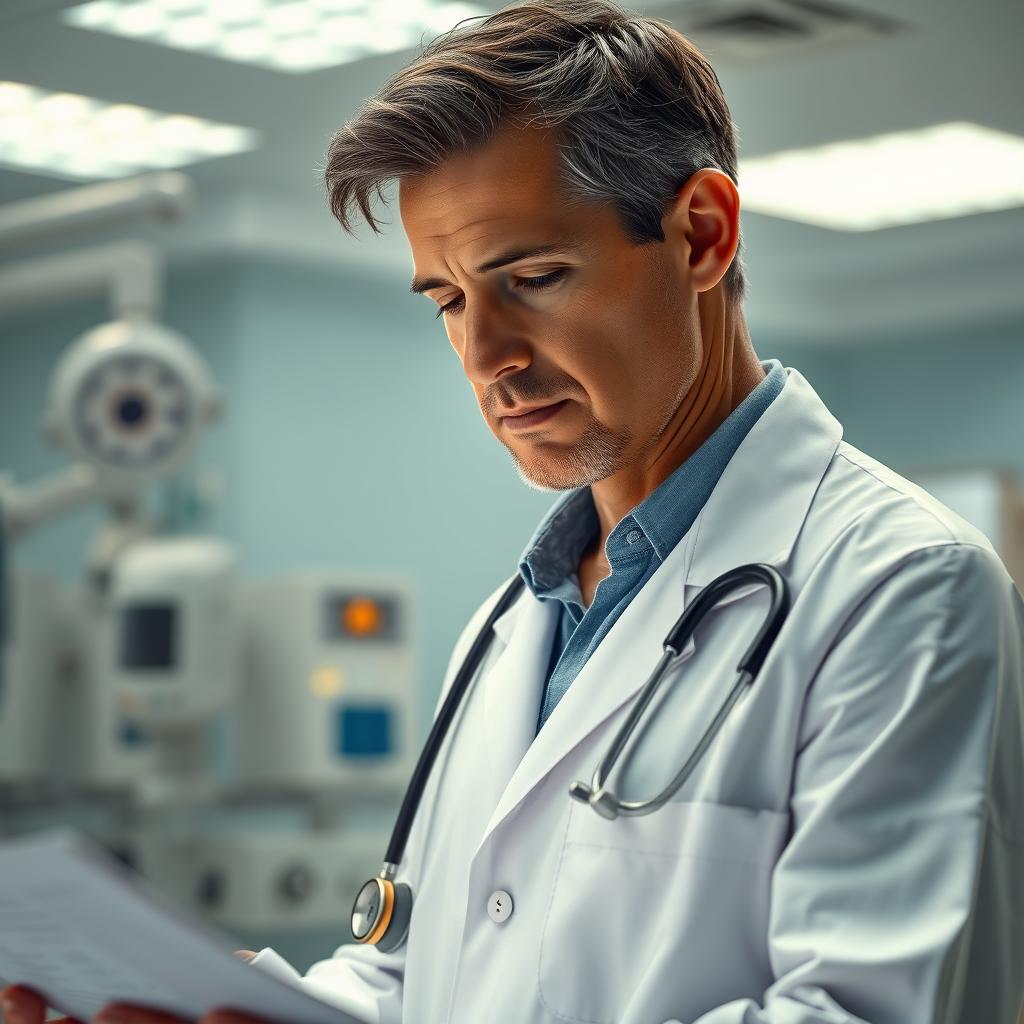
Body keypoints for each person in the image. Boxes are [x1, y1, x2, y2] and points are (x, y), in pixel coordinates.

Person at [4, 1, 1024, 1022]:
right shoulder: (509, 627)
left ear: (702, 235)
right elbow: (421, 973)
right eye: (447, 300)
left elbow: (858, 1009)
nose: (486, 355)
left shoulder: (902, 586)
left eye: (532, 277)